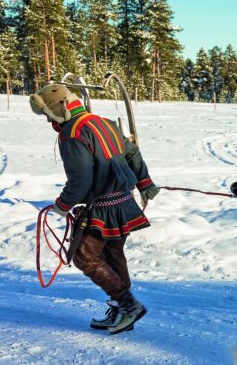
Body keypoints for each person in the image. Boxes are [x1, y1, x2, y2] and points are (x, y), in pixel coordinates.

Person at [29, 83, 159, 334]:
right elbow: (132, 152)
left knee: (84, 256)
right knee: (112, 255)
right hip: (123, 201)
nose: (47, 121)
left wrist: (63, 205)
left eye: (47, 115)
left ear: (58, 109)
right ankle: (121, 310)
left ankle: (128, 306)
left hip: (102, 205)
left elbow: (81, 180)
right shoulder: (102, 121)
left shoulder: (72, 133)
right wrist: (144, 183)